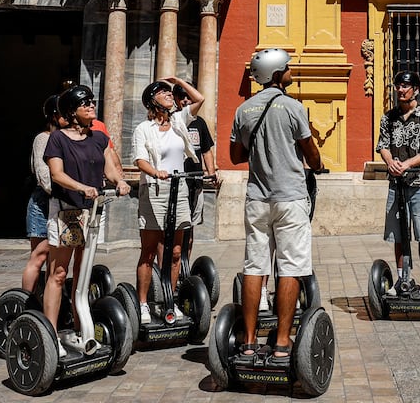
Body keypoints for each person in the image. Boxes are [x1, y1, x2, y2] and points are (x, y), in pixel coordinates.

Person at [229, 48, 325, 366]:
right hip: (290, 198)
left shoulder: (243, 110)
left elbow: (235, 156)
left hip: (257, 198)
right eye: (286, 68)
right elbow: (310, 150)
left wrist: (261, 152)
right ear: (275, 75)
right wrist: (317, 163)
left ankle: (248, 342)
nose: (290, 71)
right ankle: (283, 342)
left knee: (255, 267)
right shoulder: (293, 107)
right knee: (291, 267)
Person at [43, 84, 130, 355]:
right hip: (67, 212)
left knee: (83, 272)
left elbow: (110, 168)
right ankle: (51, 334)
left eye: (92, 102)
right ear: (71, 111)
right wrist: (81, 187)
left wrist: (120, 181)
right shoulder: (58, 139)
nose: (92, 106)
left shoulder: (99, 138)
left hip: (91, 213)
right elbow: (56, 174)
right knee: (58, 273)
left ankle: (83, 329)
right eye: (85, 103)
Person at [132, 76, 205, 325]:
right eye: (163, 92)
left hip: (179, 189)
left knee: (175, 252)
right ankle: (143, 304)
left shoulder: (179, 121)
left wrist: (178, 81)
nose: (168, 94)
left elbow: (200, 99)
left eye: (169, 91)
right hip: (154, 190)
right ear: (153, 101)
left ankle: (168, 301)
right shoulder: (144, 129)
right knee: (150, 252)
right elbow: (140, 159)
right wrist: (155, 172)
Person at [377, 70, 420, 295]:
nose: (400, 89)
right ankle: (402, 278)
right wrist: (390, 162)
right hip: (397, 184)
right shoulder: (389, 118)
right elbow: (382, 145)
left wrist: (406, 164)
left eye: (405, 86)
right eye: (398, 85)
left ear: (415, 89)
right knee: (398, 233)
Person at [177, 83, 219, 264]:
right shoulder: (173, 120)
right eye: (181, 96)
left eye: (189, 97)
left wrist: (211, 173)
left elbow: (206, 150)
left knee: (190, 228)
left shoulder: (199, 123)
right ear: (176, 100)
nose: (186, 100)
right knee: (177, 226)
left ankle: (185, 265)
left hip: (196, 182)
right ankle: (174, 265)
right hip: (177, 182)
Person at [21, 95, 60, 292]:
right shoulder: (43, 138)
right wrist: (61, 190)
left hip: (64, 200)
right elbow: (43, 172)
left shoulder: (68, 138)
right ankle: (27, 300)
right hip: (44, 201)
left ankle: (49, 298)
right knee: (40, 253)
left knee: (56, 257)